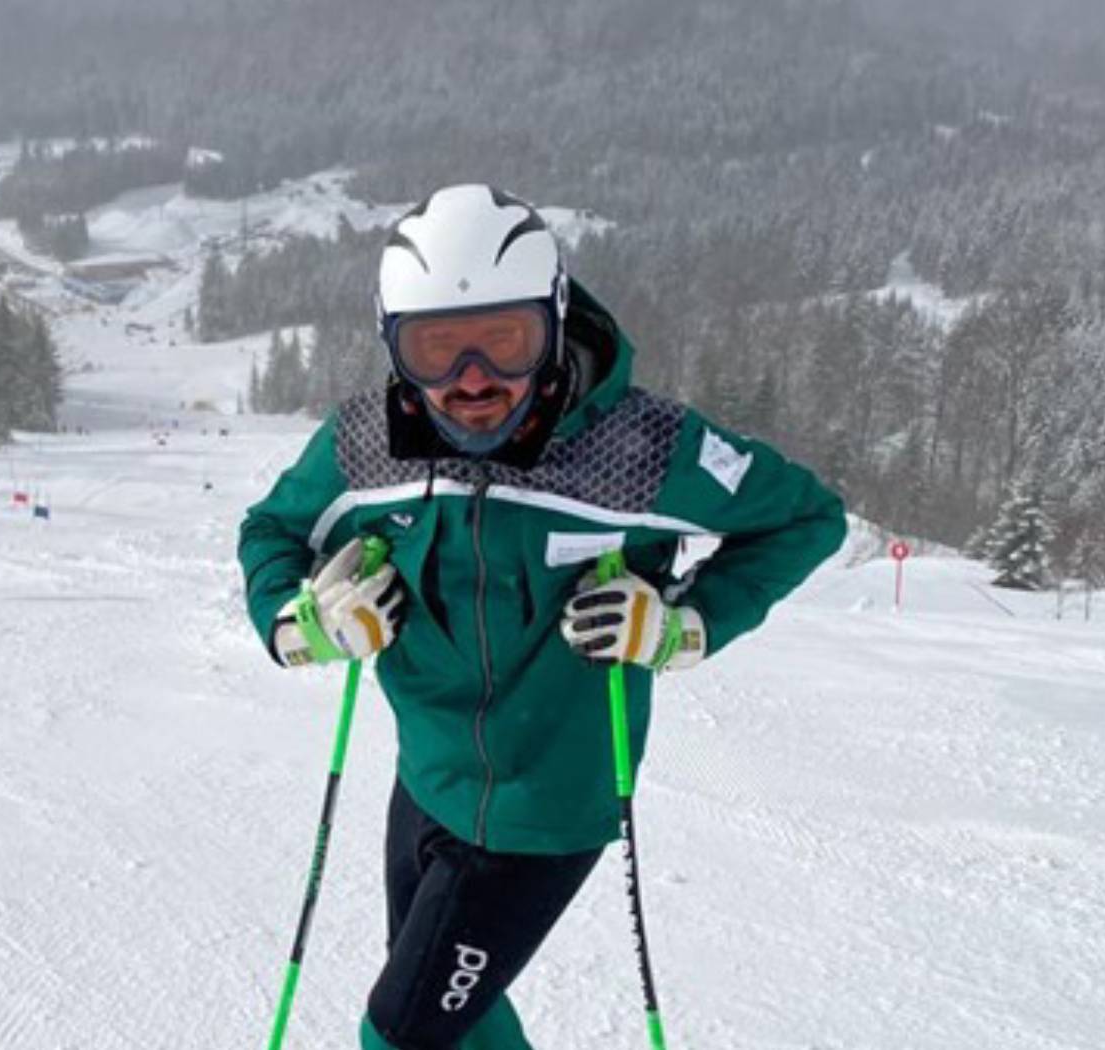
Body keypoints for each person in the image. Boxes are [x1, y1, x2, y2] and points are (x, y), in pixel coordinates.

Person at [238, 184, 846, 1049]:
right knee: (449, 1005)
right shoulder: (365, 447)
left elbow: (806, 517)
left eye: (506, 342)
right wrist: (301, 621)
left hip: (549, 805)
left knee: (401, 1032)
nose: (473, 381)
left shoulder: (643, 454)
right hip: (429, 779)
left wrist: (686, 623)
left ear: (555, 322)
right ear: (392, 347)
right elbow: (273, 529)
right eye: (435, 350)